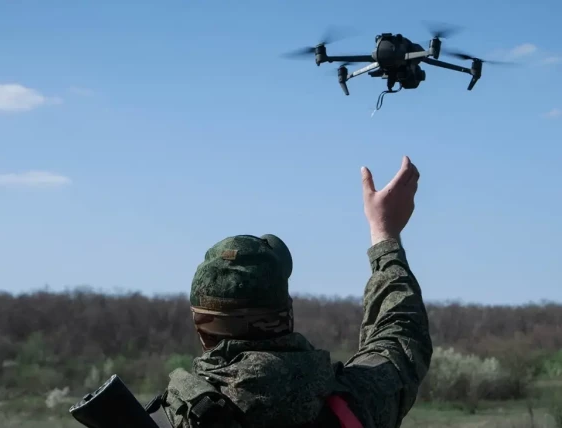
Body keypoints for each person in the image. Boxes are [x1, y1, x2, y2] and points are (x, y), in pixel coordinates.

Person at [149, 156, 432, 428]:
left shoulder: (168, 419)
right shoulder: (358, 401)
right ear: (287, 315)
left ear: (201, 327)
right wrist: (384, 234)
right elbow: (400, 335)